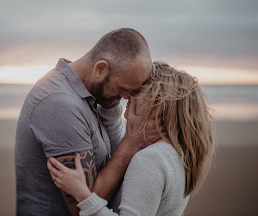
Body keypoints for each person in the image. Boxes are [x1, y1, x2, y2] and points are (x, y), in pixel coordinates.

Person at [15, 28, 162, 215]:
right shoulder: (60, 104)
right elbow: (81, 207)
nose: (126, 97)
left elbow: (111, 159)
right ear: (100, 69)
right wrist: (132, 142)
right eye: (123, 89)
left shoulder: (90, 96)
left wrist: (113, 111)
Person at [47, 61, 216, 215]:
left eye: (138, 91)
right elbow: (122, 142)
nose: (128, 95)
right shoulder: (174, 152)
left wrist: (82, 194)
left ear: (158, 104)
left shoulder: (151, 160)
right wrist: (110, 99)